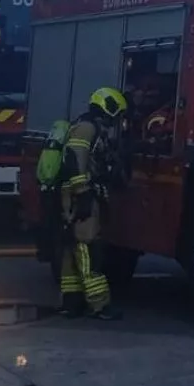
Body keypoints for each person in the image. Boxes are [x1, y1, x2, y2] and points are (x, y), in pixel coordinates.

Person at [57, 86, 130, 320]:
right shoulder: (87, 128)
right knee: (87, 247)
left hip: (75, 193)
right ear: (108, 107)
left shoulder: (88, 127)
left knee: (72, 248)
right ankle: (99, 305)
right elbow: (74, 160)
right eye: (117, 113)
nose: (117, 119)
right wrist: (83, 192)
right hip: (80, 193)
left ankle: (71, 302)